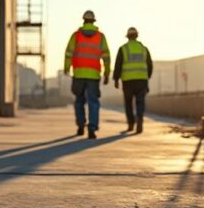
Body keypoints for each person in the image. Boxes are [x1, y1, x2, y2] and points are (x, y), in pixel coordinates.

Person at [63, 10, 111, 139]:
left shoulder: (76, 36)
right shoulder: (101, 37)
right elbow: (106, 56)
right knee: (93, 102)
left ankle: (80, 125)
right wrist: (107, 73)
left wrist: (66, 68)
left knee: (79, 101)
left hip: (78, 73)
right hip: (94, 75)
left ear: (83, 20)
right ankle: (92, 129)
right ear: (93, 21)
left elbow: (69, 53)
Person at [113, 27, 153, 134]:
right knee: (140, 102)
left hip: (128, 81)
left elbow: (118, 65)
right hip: (142, 80)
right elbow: (150, 65)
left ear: (127, 36)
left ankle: (131, 124)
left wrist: (116, 79)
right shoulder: (144, 49)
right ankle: (139, 117)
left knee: (128, 103)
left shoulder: (123, 49)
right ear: (137, 36)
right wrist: (147, 77)